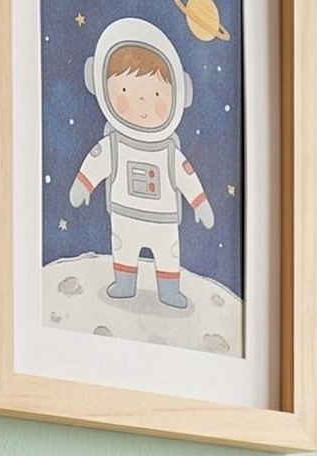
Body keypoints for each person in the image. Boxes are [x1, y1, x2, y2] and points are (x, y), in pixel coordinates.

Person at [70, 19, 213, 311]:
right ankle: (124, 283)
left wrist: (200, 204)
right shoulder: (114, 145)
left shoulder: (169, 152)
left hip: (164, 220)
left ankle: (169, 290)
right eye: (125, 90)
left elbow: (187, 176)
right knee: (124, 248)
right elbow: (96, 161)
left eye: (157, 95)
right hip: (126, 214)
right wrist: (84, 185)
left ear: (179, 96)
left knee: (168, 254)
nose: (143, 103)